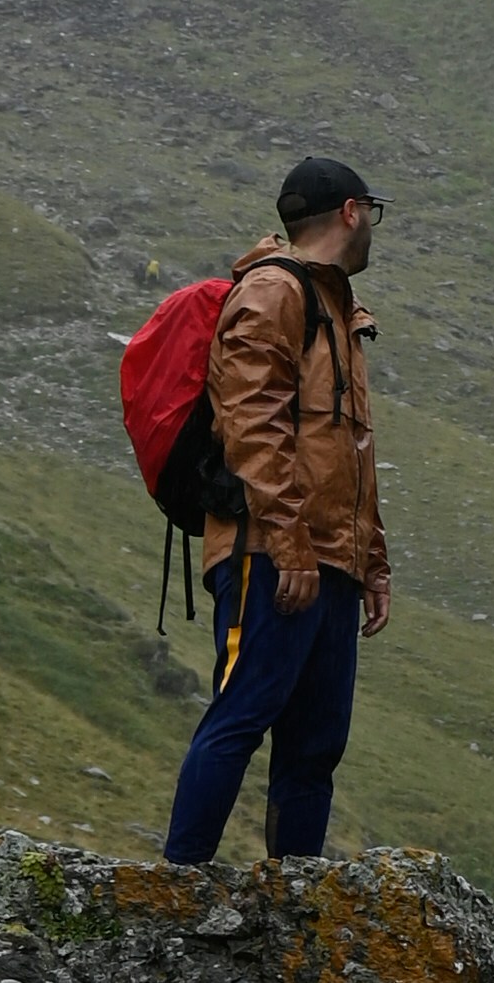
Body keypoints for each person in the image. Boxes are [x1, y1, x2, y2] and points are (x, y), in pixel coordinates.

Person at [160, 155, 392, 867]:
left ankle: (294, 908)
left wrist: (370, 562)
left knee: (316, 746)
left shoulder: (339, 310)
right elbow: (252, 424)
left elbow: (346, 449)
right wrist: (290, 545)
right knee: (243, 712)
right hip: (272, 553)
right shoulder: (272, 292)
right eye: (371, 214)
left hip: (330, 562)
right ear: (352, 212)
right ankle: (178, 887)